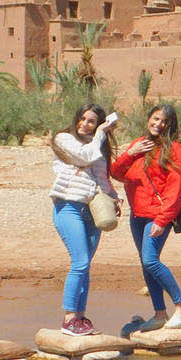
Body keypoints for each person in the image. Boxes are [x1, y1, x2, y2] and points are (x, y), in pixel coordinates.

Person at [111, 104, 181, 330]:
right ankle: (159, 314)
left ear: (170, 125)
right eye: (155, 119)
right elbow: (117, 173)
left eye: (164, 121)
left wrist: (162, 219)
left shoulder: (174, 149)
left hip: (157, 215)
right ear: (149, 119)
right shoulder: (138, 144)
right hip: (137, 215)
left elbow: (176, 188)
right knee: (146, 265)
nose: (158, 124)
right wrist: (130, 154)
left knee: (150, 260)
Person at [49, 104, 120, 336]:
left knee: (85, 266)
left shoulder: (97, 144)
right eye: (82, 119)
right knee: (79, 262)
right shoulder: (63, 139)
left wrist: (113, 196)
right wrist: (101, 132)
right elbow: (84, 157)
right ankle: (69, 318)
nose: (84, 124)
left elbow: (100, 177)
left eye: (91, 121)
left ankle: (79, 317)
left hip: (90, 210)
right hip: (67, 207)